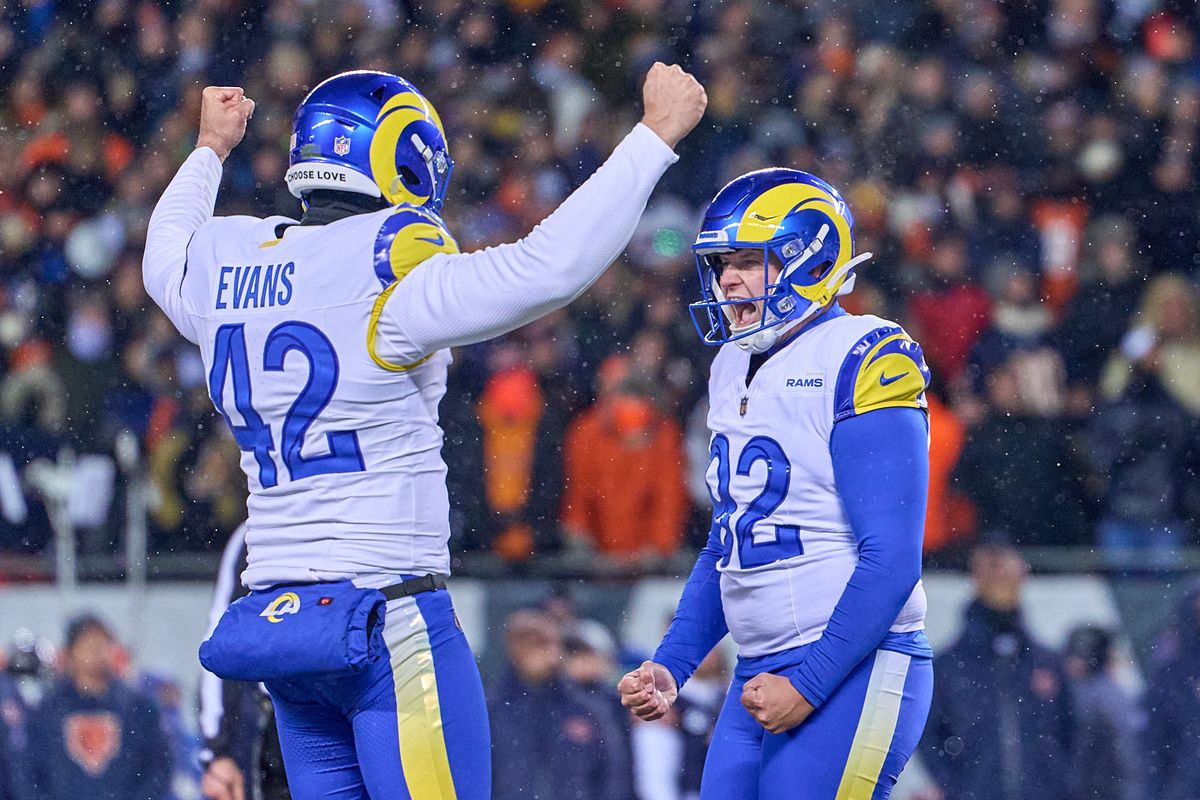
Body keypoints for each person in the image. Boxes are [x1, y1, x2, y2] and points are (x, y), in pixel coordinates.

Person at [142, 64, 705, 800]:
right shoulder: (383, 259)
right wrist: (652, 138)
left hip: (286, 626)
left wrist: (209, 150)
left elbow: (164, 256)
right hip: (387, 618)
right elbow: (548, 268)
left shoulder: (227, 261)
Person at [618, 169, 934, 799]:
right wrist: (672, 665)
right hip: (757, 672)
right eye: (720, 263)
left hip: (853, 666)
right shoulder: (730, 364)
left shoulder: (864, 355)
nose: (726, 279)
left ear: (807, 258)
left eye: (747, 260)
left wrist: (809, 684)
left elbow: (893, 558)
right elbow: (730, 541)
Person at [918, 544, 1071, 800]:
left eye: (1008, 575)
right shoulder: (949, 666)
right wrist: (956, 787)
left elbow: (1070, 732)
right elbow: (929, 737)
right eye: (993, 574)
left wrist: (1057, 782)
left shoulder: (1046, 662)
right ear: (975, 579)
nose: (1002, 585)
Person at [487, 610, 632, 800]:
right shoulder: (491, 709)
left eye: (542, 643)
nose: (537, 653)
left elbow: (614, 775)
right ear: (512, 649)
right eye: (525, 644)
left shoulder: (587, 709)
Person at [26, 615, 172, 800]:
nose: (98, 653)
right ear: (71, 653)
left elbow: (159, 767)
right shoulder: (47, 710)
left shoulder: (140, 708)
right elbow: (30, 769)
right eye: (90, 646)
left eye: (104, 645)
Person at [198, 525, 289, 800]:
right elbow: (222, 640)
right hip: (278, 713)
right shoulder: (255, 531)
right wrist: (218, 749)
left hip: (352, 707)